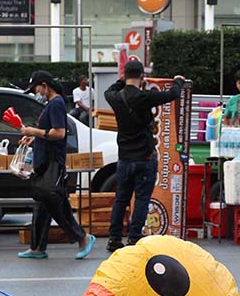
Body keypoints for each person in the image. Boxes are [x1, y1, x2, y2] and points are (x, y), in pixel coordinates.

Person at [104, 58, 185, 253]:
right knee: (141, 199)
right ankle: (133, 238)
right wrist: (178, 80)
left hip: (124, 158)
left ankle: (114, 238)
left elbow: (109, 89)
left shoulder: (114, 97)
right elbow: (173, 94)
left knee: (121, 199)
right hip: (144, 158)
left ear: (125, 76)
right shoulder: (145, 97)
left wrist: (121, 81)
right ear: (142, 76)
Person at [17, 69, 96, 260]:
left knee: (54, 203)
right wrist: (34, 139)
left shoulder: (57, 103)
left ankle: (82, 237)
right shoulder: (52, 104)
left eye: (36, 88)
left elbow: (59, 133)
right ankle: (37, 248)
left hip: (53, 162)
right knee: (42, 203)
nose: (36, 92)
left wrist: (34, 132)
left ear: (44, 85)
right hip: (45, 161)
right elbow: (49, 133)